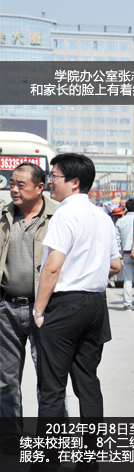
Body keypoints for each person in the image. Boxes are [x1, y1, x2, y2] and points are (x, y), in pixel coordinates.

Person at [33, 153, 120, 428]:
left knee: (52, 387)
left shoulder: (65, 213)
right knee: (87, 382)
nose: (50, 181)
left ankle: (48, 453)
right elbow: (115, 265)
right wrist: (90, 268)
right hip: (96, 305)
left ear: (74, 182)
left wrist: (38, 310)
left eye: (54, 176)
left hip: (66, 303)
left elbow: (52, 267)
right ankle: (91, 451)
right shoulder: (102, 216)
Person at [0, 163, 55, 455]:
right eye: (12, 183)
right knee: (6, 379)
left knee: (49, 379)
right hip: (7, 307)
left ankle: (51, 440)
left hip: (45, 310)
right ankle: (10, 437)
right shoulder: (3, 216)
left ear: (40, 187)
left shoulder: (57, 216)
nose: (14, 189)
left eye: (21, 184)